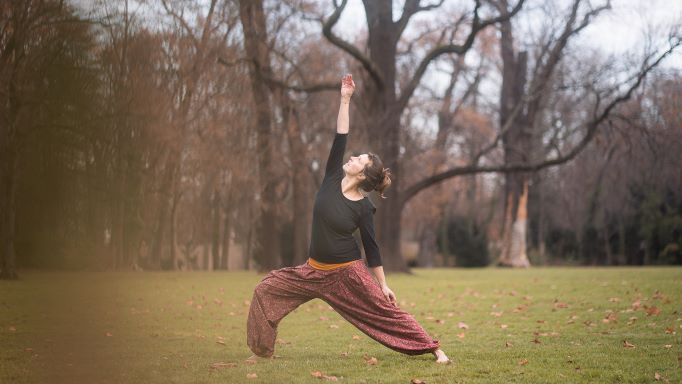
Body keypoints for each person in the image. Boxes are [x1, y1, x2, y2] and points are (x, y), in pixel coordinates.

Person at [246, 74, 450, 364]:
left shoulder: (364, 208)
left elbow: (372, 248)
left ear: (363, 175)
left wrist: (383, 285)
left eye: (359, 160)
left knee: (384, 312)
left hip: (346, 275)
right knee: (265, 290)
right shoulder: (331, 178)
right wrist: (345, 98)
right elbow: (340, 136)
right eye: (355, 156)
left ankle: (434, 348)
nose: (352, 158)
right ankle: (263, 353)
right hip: (311, 271)